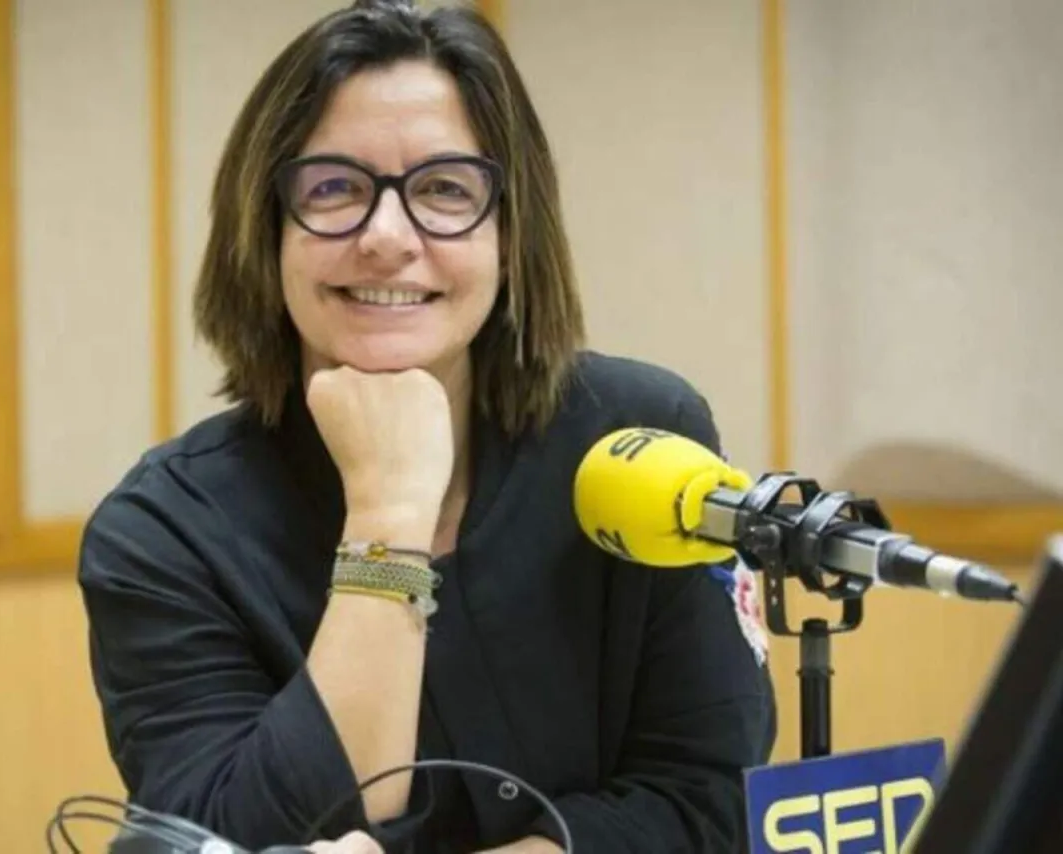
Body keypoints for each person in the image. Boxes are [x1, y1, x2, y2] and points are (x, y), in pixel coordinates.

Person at [78, 1, 776, 852]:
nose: (386, 236)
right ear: (268, 231)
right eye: (334, 187)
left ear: (512, 233)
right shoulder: (163, 531)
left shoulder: (644, 437)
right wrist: (387, 516)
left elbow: (710, 800)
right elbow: (241, 839)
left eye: (444, 189)